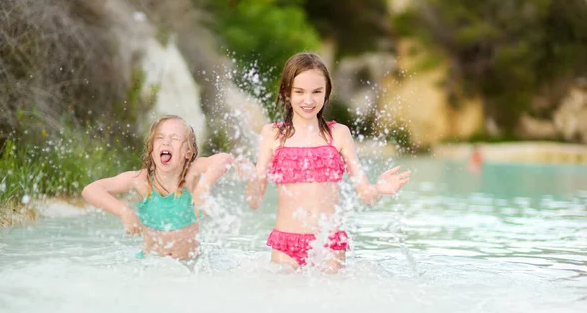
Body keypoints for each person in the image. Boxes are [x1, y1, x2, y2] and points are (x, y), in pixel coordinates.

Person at [244, 52, 411, 272]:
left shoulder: (339, 134)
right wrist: (247, 177)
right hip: (286, 243)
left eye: (316, 92)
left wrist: (379, 188)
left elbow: (366, 195)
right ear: (286, 93)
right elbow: (255, 200)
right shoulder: (273, 135)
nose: (308, 100)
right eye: (299, 92)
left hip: (328, 243)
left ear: (326, 93)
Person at [82, 115, 248, 260]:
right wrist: (123, 211)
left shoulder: (191, 177)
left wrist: (204, 187)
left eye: (174, 139)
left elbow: (225, 159)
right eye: (160, 138)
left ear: (187, 153)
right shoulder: (141, 181)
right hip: (151, 264)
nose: (166, 142)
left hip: (188, 265)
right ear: (152, 149)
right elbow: (91, 190)